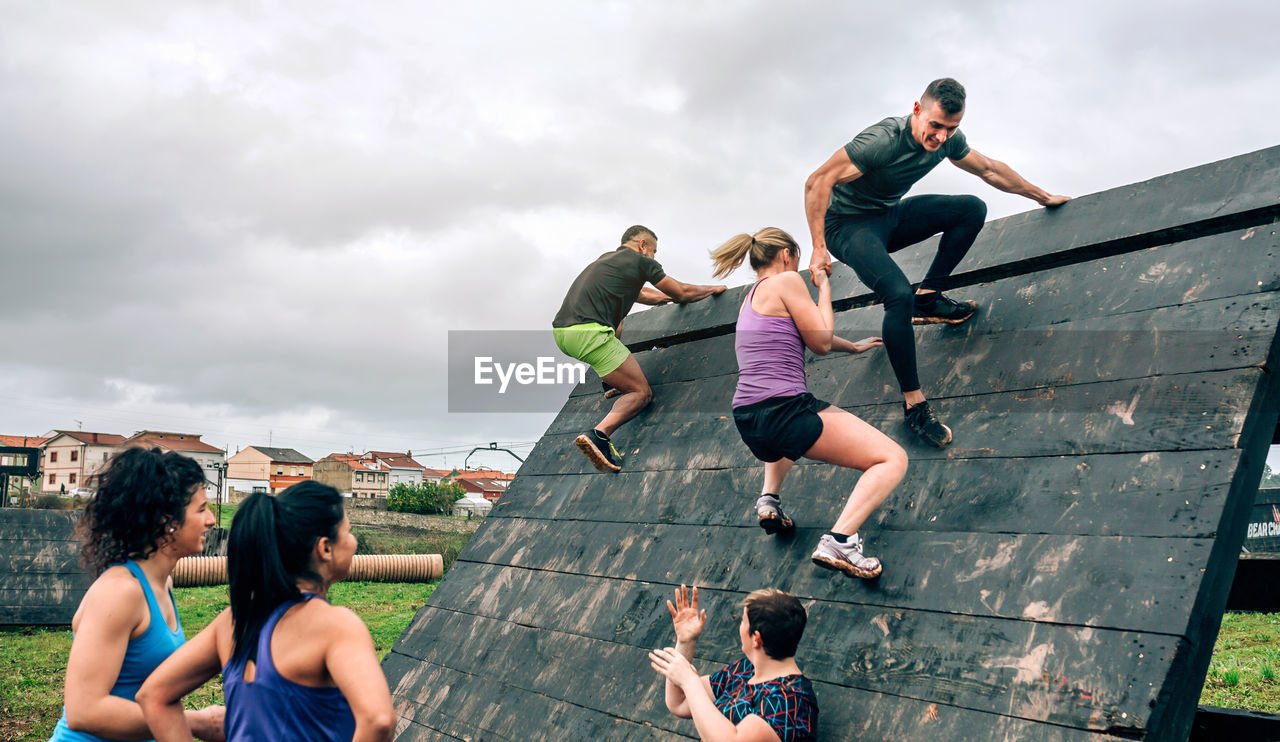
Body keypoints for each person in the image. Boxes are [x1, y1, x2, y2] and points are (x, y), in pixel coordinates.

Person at [804, 77, 1070, 448]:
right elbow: (818, 181)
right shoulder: (882, 140)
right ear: (917, 110)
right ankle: (914, 405)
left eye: (951, 129)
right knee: (897, 293)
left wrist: (1041, 196)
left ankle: (928, 297)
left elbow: (989, 169)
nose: (941, 137)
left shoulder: (948, 141)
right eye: (935, 126)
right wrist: (818, 247)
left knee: (970, 209)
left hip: (888, 216)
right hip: (847, 227)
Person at [712, 227, 906, 578]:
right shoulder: (787, 281)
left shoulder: (751, 297)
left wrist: (853, 346)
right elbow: (820, 341)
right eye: (798, 260)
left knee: (787, 443)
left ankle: (768, 498)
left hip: (749, 418)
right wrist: (823, 286)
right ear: (786, 255)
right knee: (892, 458)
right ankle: (840, 541)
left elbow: (804, 334)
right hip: (786, 409)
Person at [137, 482, 393, 742]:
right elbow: (378, 720)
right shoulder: (335, 625)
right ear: (325, 548)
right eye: (348, 532)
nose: (354, 541)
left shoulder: (232, 621)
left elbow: (154, 695)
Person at [48, 447, 223, 742]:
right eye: (201, 508)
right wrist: (197, 722)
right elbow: (83, 710)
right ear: (168, 520)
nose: (212, 519)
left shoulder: (161, 584)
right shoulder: (120, 592)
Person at [553, 225, 727, 472]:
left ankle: (615, 381)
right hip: (591, 333)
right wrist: (711, 289)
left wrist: (665, 298)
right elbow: (682, 292)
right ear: (643, 245)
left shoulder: (608, 261)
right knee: (641, 393)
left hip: (564, 333)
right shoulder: (640, 260)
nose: (655, 257)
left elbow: (643, 295)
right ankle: (599, 435)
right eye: (654, 251)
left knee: (619, 319)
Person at [650, 586, 818, 742]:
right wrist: (686, 642)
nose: (740, 626)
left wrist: (689, 681)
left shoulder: (790, 698)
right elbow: (679, 703)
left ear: (756, 639)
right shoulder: (745, 670)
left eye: (743, 621)